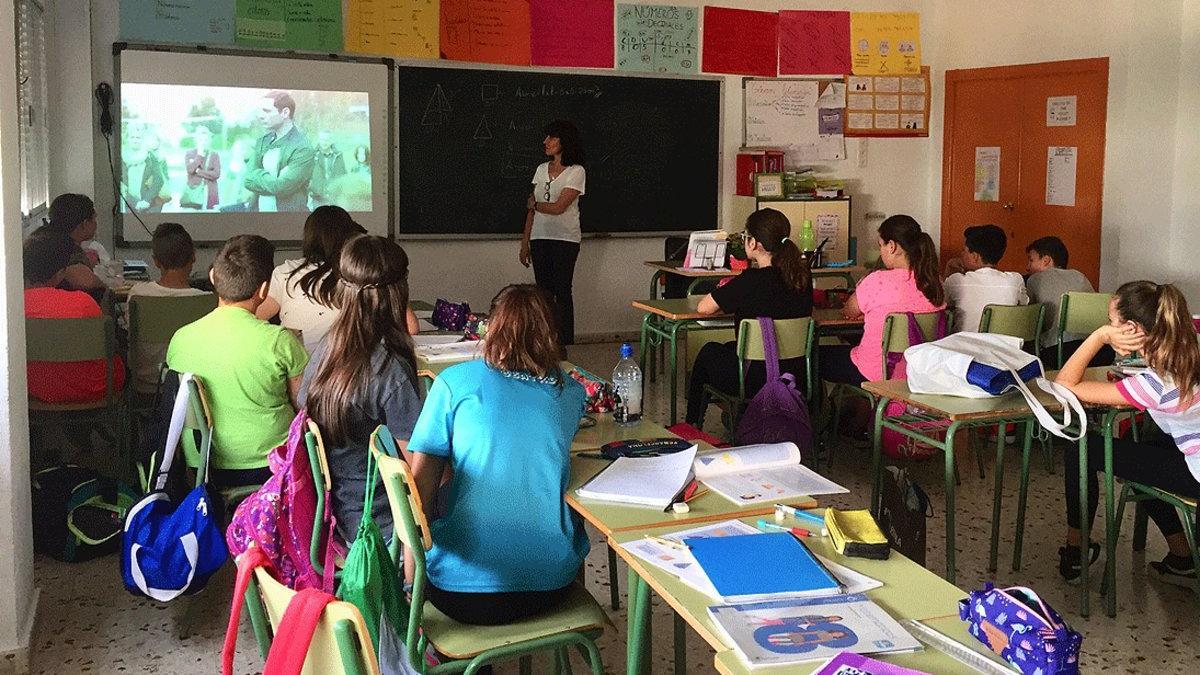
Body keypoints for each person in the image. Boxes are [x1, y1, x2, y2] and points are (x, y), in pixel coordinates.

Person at [407, 285, 588, 625]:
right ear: (551, 334)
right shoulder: (571, 393)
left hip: (457, 592)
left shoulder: (453, 383)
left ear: (489, 328)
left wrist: (409, 583)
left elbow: (419, 493)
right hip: (549, 586)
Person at [1055, 281, 1200, 586]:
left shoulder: (1158, 382)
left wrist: (1097, 337)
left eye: (1112, 323)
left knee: (1083, 446)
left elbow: (1064, 386)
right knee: (1144, 445)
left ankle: (1076, 551)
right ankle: (1181, 557)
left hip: (1196, 473)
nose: (1109, 328)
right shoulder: (1190, 347)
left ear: (1131, 328)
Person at [300, 235, 422, 544]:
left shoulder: (325, 351)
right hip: (382, 523)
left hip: (337, 513)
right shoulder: (388, 371)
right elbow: (416, 471)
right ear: (399, 293)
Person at [166, 235, 309, 487]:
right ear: (264, 290)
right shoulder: (280, 341)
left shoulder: (180, 339)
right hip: (270, 466)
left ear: (212, 277)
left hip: (202, 465)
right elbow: (305, 405)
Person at [685, 208, 813, 426]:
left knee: (708, 352)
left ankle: (692, 424)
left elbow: (704, 308)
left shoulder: (751, 280)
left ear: (753, 243)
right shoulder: (802, 278)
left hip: (754, 379)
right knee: (728, 346)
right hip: (796, 376)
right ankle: (740, 415)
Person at [257, 206, 417, 352]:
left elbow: (252, 318)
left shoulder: (286, 272)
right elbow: (411, 327)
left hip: (298, 367)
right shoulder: (357, 273)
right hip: (351, 369)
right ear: (349, 234)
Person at [822, 215, 946, 384]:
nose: (881, 251)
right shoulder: (935, 282)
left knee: (818, 355)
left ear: (892, 246)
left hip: (878, 373)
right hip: (919, 375)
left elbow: (849, 311)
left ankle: (818, 409)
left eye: (881, 245)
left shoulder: (876, 280)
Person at [24, 231, 125, 404]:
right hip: (92, 387)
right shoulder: (83, 303)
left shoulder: (13, 309)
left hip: (32, 389)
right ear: (61, 273)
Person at [519, 120, 586, 347]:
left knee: (562, 290)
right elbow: (530, 210)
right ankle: (544, 338)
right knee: (542, 291)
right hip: (540, 237)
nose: (545, 142)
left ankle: (564, 341)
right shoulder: (540, 169)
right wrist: (524, 242)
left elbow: (559, 207)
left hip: (565, 239)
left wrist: (536, 205)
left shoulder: (576, 171)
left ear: (564, 141)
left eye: (551, 138)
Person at [125, 223, 211, 393]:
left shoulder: (138, 294)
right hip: (193, 385)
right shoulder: (207, 300)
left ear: (156, 261)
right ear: (193, 256)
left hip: (147, 380)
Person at [1025, 236, 1107, 366]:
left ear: (1046, 260)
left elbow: (1030, 321)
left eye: (1031, 260)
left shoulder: (1035, 279)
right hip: (1098, 349)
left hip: (1058, 351)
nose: (1027, 267)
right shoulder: (1080, 276)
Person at [943, 224, 1028, 333]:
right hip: (1003, 346)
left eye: (964, 250)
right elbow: (1025, 305)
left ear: (975, 257)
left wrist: (948, 269)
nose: (961, 254)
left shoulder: (957, 281)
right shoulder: (1015, 280)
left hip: (964, 345)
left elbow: (941, 304)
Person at [244, 90, 315, 212]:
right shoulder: (262, 141)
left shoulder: (303, 147)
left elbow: (281, 187)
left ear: (285, 112)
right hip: (257, 217)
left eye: (266, 111)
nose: (260, 116)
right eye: (260, 111)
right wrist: (271, 177)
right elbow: (247, 180)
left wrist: (257, 174)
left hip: (288, 222)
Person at [30, 193, 105, 291]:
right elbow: (84, 280)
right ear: (84, 224)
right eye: (94, 218)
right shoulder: (60, 245)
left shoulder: (42, 236)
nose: (96, 224)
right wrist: (103, 285)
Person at [182, 126, 221, 210]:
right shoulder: (190, 153)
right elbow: (190, 169)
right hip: (193, 194)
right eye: (200, 140)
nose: (203, 143)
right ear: (196, 140)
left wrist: (198, 171)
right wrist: (199, 155)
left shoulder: (214, 155)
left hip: (210, 194)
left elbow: (216, 174)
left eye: (205, 140)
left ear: (209, 140)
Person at [309, 130, 347, 207]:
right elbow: (306, 176)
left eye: (327, 139)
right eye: (322, 139)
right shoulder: (312, 155)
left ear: (331, 141)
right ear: (319, 140)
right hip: (317, 199)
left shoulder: (338, 156)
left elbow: (343, 175)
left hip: (335, 199)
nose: (324, 142)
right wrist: (311, 188)